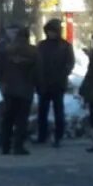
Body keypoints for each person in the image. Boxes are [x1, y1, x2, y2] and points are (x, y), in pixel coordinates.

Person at [0, 23, 38, 156]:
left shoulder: (5, 50)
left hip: (8, 89)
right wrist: (37, 85)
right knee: (21, 119)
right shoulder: (33, 51)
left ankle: (5, 146)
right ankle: (18, 146)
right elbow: (38, 71)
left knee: (7, 118)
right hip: (25, 90)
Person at [35, 18, 75, 147]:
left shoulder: (65, 46)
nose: (51, 33)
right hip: (43, 83)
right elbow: (36, 63)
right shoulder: (42, 45)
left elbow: (70, 63)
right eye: (49, 31)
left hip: (58, 83)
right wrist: (38, 79)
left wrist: (62, 74)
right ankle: (42, 136)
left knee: (58, 111)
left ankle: (58, 136)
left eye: (53, 31)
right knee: (42, 112)